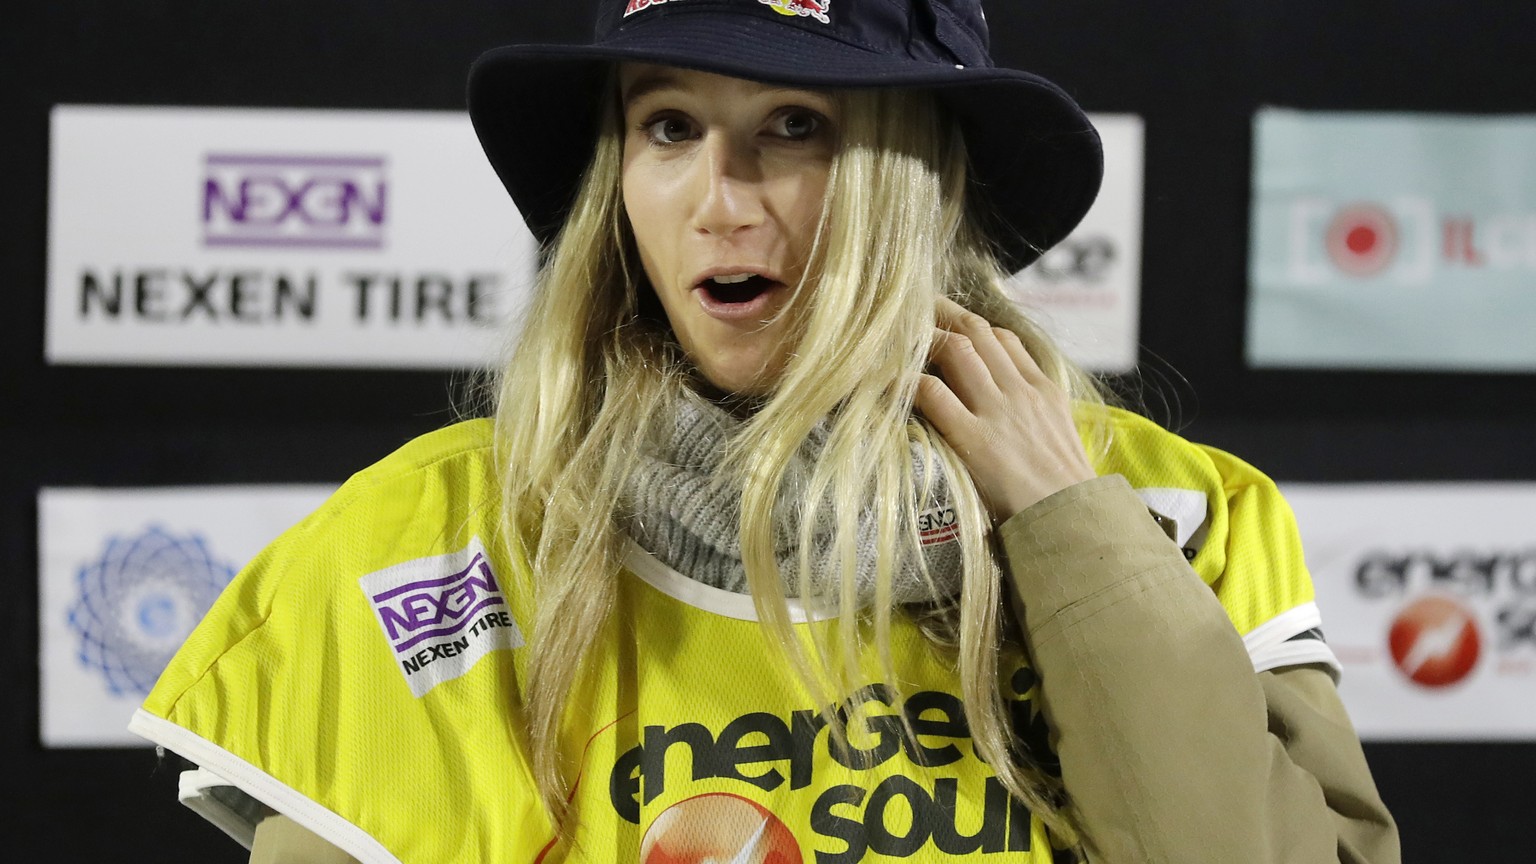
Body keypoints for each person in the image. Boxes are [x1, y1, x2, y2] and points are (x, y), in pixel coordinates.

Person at [131, 1, 1400, 862]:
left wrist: (1076, 539)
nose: (717, 200)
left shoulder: (1175, 514)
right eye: (667, 127)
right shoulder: (429, 544)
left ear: (918, 177)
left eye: (795, 126)